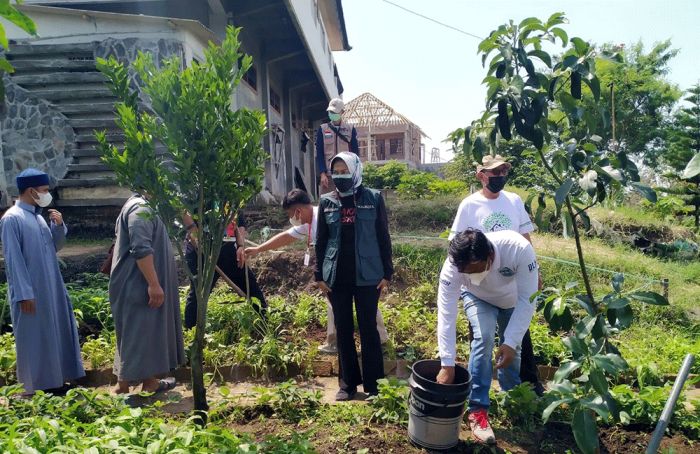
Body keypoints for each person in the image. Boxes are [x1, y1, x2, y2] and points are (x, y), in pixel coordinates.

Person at [244, 189, 389, 353]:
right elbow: (286, 236)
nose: (291, 218)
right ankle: (337, 342)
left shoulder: (324, 215)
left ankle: (378, 340)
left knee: (365, 303)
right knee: (335, 305)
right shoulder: (309, 222)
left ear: (298, 211)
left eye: (290, 214)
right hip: (334, 270)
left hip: (351, 267)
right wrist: (259, 249)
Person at [449, 154, 545, 396]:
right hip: (479, 281)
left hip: (511, 277)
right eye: (495, 173)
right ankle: (478, 394)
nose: (500, 177)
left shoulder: (513, 201)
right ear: (481, 176)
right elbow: (457, 244)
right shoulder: (469, 205)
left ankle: (522, 389)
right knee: (481, 339)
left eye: (504, 172)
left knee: (517, 337)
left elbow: (525, 238)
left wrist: (535, 270)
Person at [436, 229, 538, 444]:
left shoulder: (518, 249)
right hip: (477, 298)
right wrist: (447, 364)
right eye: (466, 272)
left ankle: (512, 399)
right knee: (483, 338)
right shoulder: (454, 266)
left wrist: (510, 342)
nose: (470, 275)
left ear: (490, 257)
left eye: (474, 270)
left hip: (513, 302)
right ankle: (478, 409)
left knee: (513, 352)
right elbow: (446, 314)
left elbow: (528, 299)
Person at [315, 152, 393, 401]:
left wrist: (387, 273)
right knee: (343, 328)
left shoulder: (373, 198)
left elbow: (383, 236)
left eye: (344, 170)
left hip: (369, 276)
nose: (340, 176)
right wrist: (319, 275)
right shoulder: (327, 202)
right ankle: (347, 385)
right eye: (336, 171)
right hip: (337, 276)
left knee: (369, 328)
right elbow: (321, 241)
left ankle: (374, 384)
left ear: (356, 170)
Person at [0, 168, 85, 395]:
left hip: (50, 286)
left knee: (53, 332)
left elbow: (53, 248)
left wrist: (58, 227)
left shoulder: (37, 217)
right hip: (31, 292)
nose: (48, 195)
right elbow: (13, 260)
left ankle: (55, 381)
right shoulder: (12, 219)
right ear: (31, 191)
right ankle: (37, 387)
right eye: (45, 190)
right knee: (35, 338)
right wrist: (24, 293)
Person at [109, 194, 185, 394]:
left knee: (140, 331)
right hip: (137, 283)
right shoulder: (140, 209)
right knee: (137, 332)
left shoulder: (146, 206)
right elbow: (140, 248)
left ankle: (144, 382)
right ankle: (124, 386)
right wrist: (153, 283)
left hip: (137, 283)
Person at [183, 213, 266, 330]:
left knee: (251, 287)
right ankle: (192, 334)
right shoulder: (198, 194)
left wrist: (240, 245)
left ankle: (266, 326)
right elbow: (184, 212)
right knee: (198, 294)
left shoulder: (232, 197)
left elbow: (240, 222)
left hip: (227, 249)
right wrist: (196, 235)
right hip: (200, 251)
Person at [315, 98, 359, 195]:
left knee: (347, 203)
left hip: (346, 174)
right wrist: (322, 173)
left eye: (334, 112)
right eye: (330, 111)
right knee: (326, 203)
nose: (332, 114)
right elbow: (319, 153)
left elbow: (355, 153)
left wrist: (355, 174)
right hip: (328, 176)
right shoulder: (322, 129)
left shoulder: (350, 129)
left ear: (342, 112)